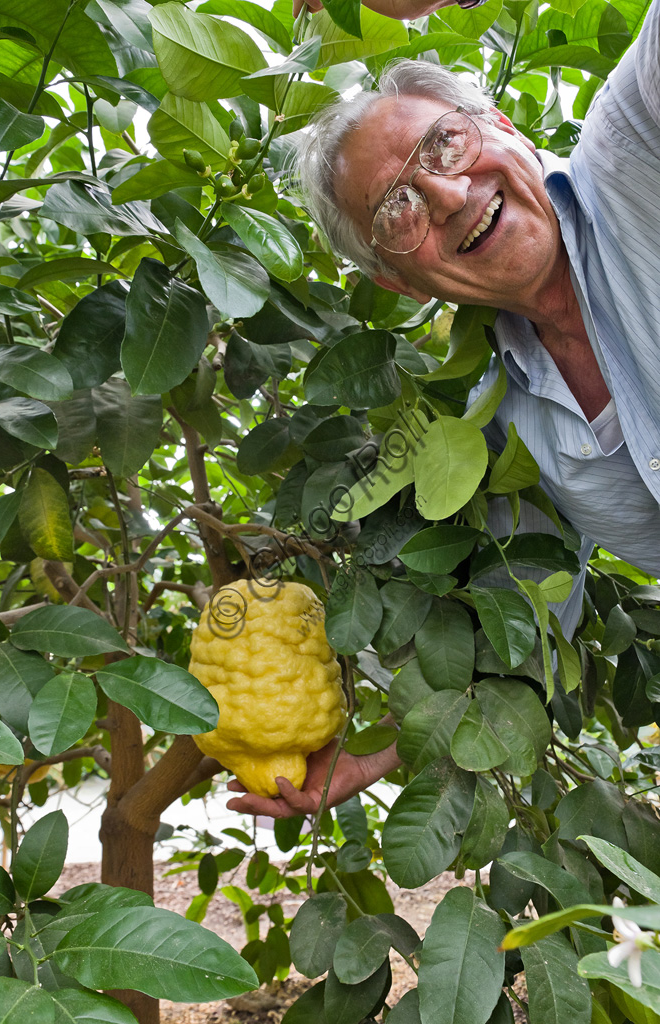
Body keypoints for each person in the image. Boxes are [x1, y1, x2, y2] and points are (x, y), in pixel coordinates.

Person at [228, 0, 660, 818]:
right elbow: (520, 610)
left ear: (501, 124)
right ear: (395, 281)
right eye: (396, 209)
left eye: (445, 142)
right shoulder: (486, 422)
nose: (449, 194)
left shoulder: (638, 148)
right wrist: (371, 751)